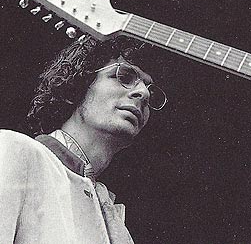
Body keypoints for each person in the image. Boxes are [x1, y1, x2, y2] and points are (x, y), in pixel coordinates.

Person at [0, 35, 168, 244]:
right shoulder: (14, 151)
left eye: (150, 90)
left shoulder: (111, 214)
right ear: (79, 82)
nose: (143, 93)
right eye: (124, 77)